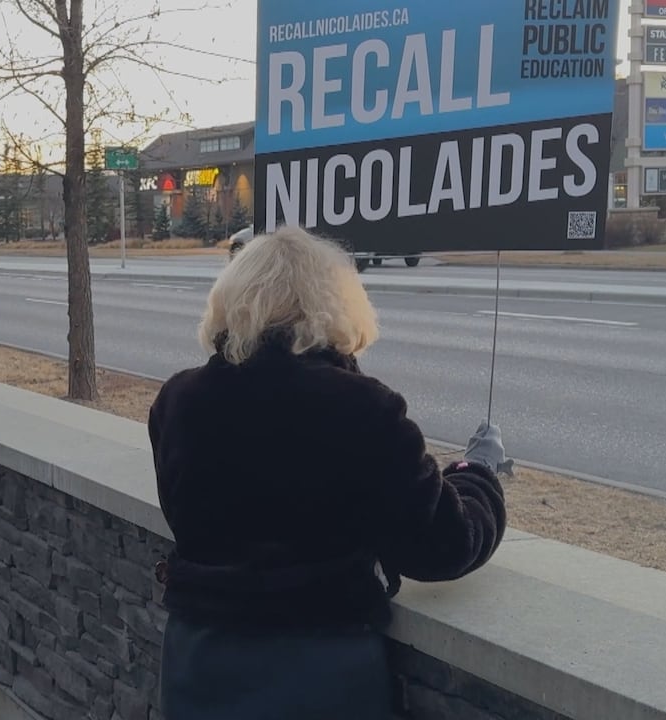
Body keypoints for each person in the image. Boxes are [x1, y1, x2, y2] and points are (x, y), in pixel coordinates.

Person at [148, 226, 509, 720]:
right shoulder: (363, 408)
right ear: (338, 306)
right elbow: (443, 544)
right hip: (318, 670)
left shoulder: (179, 400)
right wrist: (477, 471)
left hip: (198, 662)